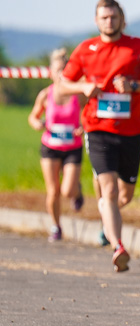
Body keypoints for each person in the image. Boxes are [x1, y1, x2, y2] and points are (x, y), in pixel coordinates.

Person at [59, 0, 140, 272]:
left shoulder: (138, 47)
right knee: (108, 189)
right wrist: (83, 87)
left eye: (113, 17)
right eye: (104, 17)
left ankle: (107, 222)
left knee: (124, 196)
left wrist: (135, 86)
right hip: (97, 129)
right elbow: (62, 86)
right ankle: (118, 246)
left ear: (122, 19)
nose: (109, 22)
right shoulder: (85, 49)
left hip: (132, 131)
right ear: (96, 21)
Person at [27, 48, 85, 241]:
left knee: (67, 190)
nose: (61, 74)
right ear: (50, 72)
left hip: (72, 147)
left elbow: (88, 113)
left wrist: (83, 126)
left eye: (64, 70)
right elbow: (33, 116)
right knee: (53, 191)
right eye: (58, 69)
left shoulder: (78, 94)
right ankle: (56, 226)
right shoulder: (45, 94)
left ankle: (77, 192)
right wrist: (38, 123)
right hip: (50, 146)